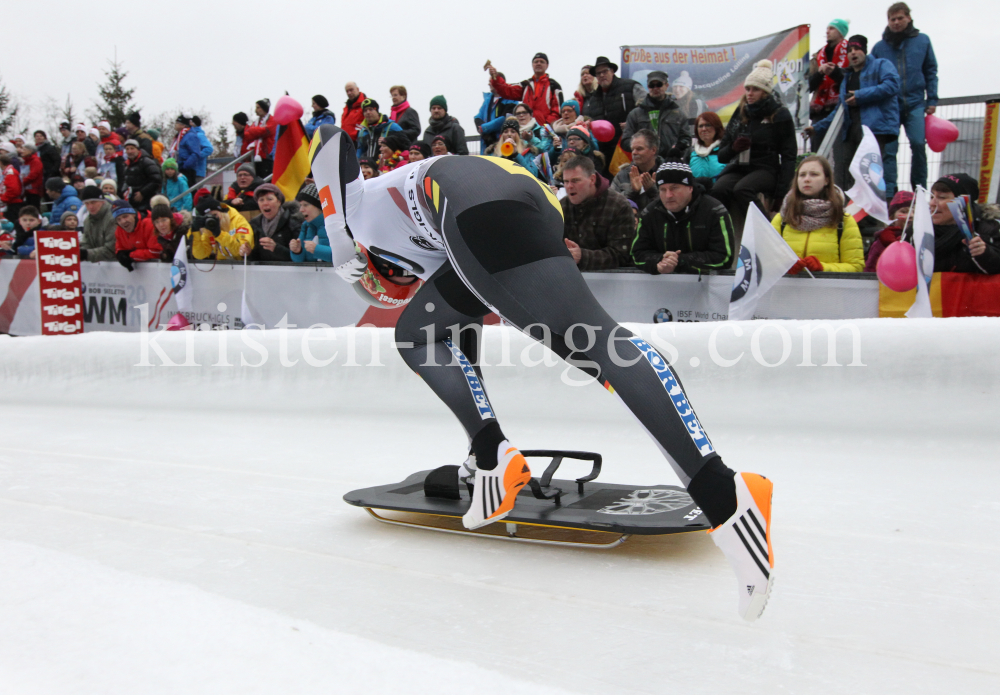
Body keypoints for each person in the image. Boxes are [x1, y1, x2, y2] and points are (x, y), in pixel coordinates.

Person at [309, 123, 776, 622]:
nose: (405, 281)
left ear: (372, 265)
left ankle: (724, 493)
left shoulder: (357, 213)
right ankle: (489, 455)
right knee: (560, 347)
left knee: (598, 344)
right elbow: (463, 329)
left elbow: (329, 139)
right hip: (525, 202)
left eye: (397, 279)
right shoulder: (429, 249)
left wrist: (337, 236)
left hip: (475, 203)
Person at [808, 36, 900, 194]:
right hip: (850, 131)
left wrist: (860, 95)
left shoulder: (881, 65)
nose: (853, 53)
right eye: (849, 50)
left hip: (874, 130)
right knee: (843, 170)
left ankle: (870, 214)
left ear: (864, 50)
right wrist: (817, 127)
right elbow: (840, 110)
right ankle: (844, 208)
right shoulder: (847, 77)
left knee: (869, 173)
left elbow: (892, 84)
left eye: (857, 49)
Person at [713, 60, 798, 231]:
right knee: (718, 189)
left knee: (742, 189)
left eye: (756, 89)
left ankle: (767, 235)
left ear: (766, 92)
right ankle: (721, 235)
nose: (750, 93)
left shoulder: (780, 114)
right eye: (748, 89)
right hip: (739, 166)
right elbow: (721, 154)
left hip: (766, 168)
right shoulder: (741, 111)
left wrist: (782, 193)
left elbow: (789, 156)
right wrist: (734, 148)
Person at [872, 2, 939, 193]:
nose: (896, 22)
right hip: (889, 106)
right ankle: (890, 194)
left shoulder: (923, 41)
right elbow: (872, 75)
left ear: (909, 18)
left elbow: (931, 70)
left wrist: (932, 99)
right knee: (889, 151)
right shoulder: (879, 48)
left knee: (918, 144)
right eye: (892, 19)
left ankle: (920, 190)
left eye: (900, 18)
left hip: (916, 103)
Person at [631, 160, 736, 274]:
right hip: (660, 287)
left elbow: (724, 257)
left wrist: (680, 261)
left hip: (705, 287)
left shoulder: (714, 211)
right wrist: (660, 262)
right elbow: (637, 254)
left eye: (674, 188)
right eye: (663, 189)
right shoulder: (649, 213)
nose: (668, 195)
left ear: (690, 188)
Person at [770, 155, 864, 274]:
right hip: (787, 291)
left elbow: (856, 267)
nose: (807, 179)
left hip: (826, 291)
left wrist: (823, 267)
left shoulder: (844, 221)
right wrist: (784, 265)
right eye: (802, 175)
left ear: (826, 180)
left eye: (814, 174)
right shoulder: (782, 219)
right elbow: (763, 261)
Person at [561, 154, 634, 270]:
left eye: (575, 181)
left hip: (612, 283)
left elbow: (621, 255)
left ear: (592, 179)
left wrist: (582, 256)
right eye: (565, 181)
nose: (569, 186)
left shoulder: (618, 206)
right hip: (569, 279)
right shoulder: (561, 207)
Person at [582, 56, 647, 172]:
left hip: (628, 149)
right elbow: (591, 119)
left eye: (605, 71)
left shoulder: (630, 86)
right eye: (598, 73)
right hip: (604, 153)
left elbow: (646, 108)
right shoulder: (593, 99)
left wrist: (632, 124)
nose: (602, 75)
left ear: (612, 71)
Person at [929, 174, 1000, 274]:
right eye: (932, 196)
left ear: (963, 202)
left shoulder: (988, 229)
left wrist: (984, 254)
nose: (932, 203)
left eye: (941, 197)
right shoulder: (919, 230)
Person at [621, 71, 691, 159]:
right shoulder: (635, 114)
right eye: (651, 85)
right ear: (648, 87)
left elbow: (687, 139)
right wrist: (641, 146)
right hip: (644, 163)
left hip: (670, 161)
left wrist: (678, 148)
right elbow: (625, 141)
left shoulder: (678, 113)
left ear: (666, 86)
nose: (655, 88)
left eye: (659, 84)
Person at [808, 20, 851, 152]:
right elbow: (807, 86)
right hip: (819, 110)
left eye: (832, 28)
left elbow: (852, 81)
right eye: (827, 28)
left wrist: (835, 73)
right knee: (816, 153)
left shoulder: (851, 52)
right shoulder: (818, 56)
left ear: (841, 32)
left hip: (840, 109)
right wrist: (820, 72)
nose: (827, 31)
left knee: (840, 154)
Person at [487, 53, 562, 126]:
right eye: (536, 62)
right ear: (532, 65)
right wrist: (496, 77)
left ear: (547, 65)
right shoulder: (526, 85)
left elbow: (558, 110)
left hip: (545, 130)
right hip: (526, 128)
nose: (538, 63)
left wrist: (546, 124)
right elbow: (507, 90)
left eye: (542, 62)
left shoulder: (554, 85)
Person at [611, 129, 664, 212]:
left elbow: (674, 207)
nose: (634, 153)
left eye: (639, 149)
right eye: (632, 149)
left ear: (653, 150)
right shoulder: (623, 175)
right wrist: (632, 191)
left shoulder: (667, 173)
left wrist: (652, 192)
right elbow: (611, 205)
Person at [190, 196, 254, 261]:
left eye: (214, 215)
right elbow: (200, 255)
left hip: (243, 264)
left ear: (221, 211)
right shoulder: (208, 226)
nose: (212, 219)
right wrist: (195, 232)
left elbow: (241, 251)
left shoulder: (238, 221)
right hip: (223, 265)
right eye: (207, 217)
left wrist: (220, 234)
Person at [248, 183, 300, 262]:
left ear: (279, 202)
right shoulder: (254, 225)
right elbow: (255, 258)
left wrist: (276, 248)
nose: (265, 203)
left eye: (269, 199)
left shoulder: (293, 222)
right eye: (261, 200)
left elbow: (300, 257)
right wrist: (247, 253)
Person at [865, 190, 913, 271]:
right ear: (891, 218)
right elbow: (870, 272)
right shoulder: (882, 242)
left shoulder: (927, 239)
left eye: (916, 211)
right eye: (904, 211)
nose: (911, 215)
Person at [112, 199, 161, 270]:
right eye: (118, 219)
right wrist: (120, 254)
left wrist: (131, 255)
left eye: (125, 216)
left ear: (133, 214)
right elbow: (119, 248)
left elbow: (156, 252)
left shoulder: (150, 225)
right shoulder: (119, 230)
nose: (123, 221)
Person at [474, 75, 519, 152]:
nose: (489, 84)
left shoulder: (511, 98)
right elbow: (478, 117)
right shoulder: (487, 100)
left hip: (501, 142)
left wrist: (484, 128)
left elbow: (504, 118)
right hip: (486, 144)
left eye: (491, 81)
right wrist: (481, 127)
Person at [289, 183, 331, 263]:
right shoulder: (306, 226)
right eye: (300, 205)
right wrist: (297, 251)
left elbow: (345, 255)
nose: (301, 209)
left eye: (306, 205)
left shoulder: (336, 225)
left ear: (320, 207)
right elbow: (299, 261)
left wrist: (317, 250)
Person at [78, 185, 117, 262]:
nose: (90, 207)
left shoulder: (113, 218)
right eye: (87, 203)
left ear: (102, 201)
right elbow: (87, 243)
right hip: (101, 266)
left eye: (93, 202)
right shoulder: (87, 221)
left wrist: (86, 254)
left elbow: (111, 249)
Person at [122, 139, 163, 213]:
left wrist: (143, 192)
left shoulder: (146, 162)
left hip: (146, 200)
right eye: (127, 149)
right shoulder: (126, 164)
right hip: (132, 200)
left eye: (132, 148)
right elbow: (125, 180)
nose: (129, 151)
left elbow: (156, 179)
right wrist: (124, 191)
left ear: (138, 149)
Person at [689, 112, 726, 188]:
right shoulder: (690, 152)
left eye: (708, 125)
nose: (704, 129)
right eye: (700, 126)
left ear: (717, 127)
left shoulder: (726, 150)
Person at [244, 99, 277, 179]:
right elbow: (247, 135)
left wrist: (252, 130)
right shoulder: (256, 122)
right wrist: (256, 131)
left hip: (267, 155)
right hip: (257, 156)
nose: (256, 110)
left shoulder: (272, 120)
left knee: (267, 178)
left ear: (264, 108)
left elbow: (266, 131)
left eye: (258, 107)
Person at [17, 143, 44, 210]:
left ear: (30, 151)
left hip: (34, 190)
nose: (21, 151)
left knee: (33, 209)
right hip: (26, 190)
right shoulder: (25, 161)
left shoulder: (35, 161)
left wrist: (21, 182)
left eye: (24, 149)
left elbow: (33, 175)